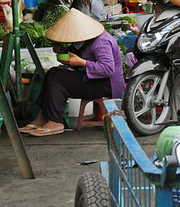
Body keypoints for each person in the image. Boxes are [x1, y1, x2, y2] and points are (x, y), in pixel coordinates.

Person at [18, 8, 125, 136]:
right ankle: (42, 117)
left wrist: (82, 63)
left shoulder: (101, 42)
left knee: (56, 77)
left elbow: (108, 69)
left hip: (105, 84)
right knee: (52, 74)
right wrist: (63, 52)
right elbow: (76, 54)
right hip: (90, 78)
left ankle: (55, 121)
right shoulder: (82, 40)